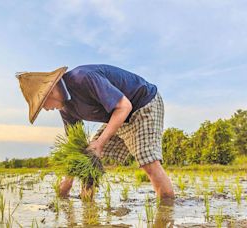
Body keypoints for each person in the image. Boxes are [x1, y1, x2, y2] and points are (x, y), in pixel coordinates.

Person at [16, 64, 174, 199]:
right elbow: (76, 148)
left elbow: (124, 106)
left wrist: (99, 143)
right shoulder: (65, 108)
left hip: (143, 103)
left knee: (148, 161)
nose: (45, 109)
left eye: (42, 105)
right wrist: (68, 180)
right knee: (89, 161)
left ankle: (166, 210)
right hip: (118, 116)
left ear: (49, 93)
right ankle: (89, 211)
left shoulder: (83, 78)